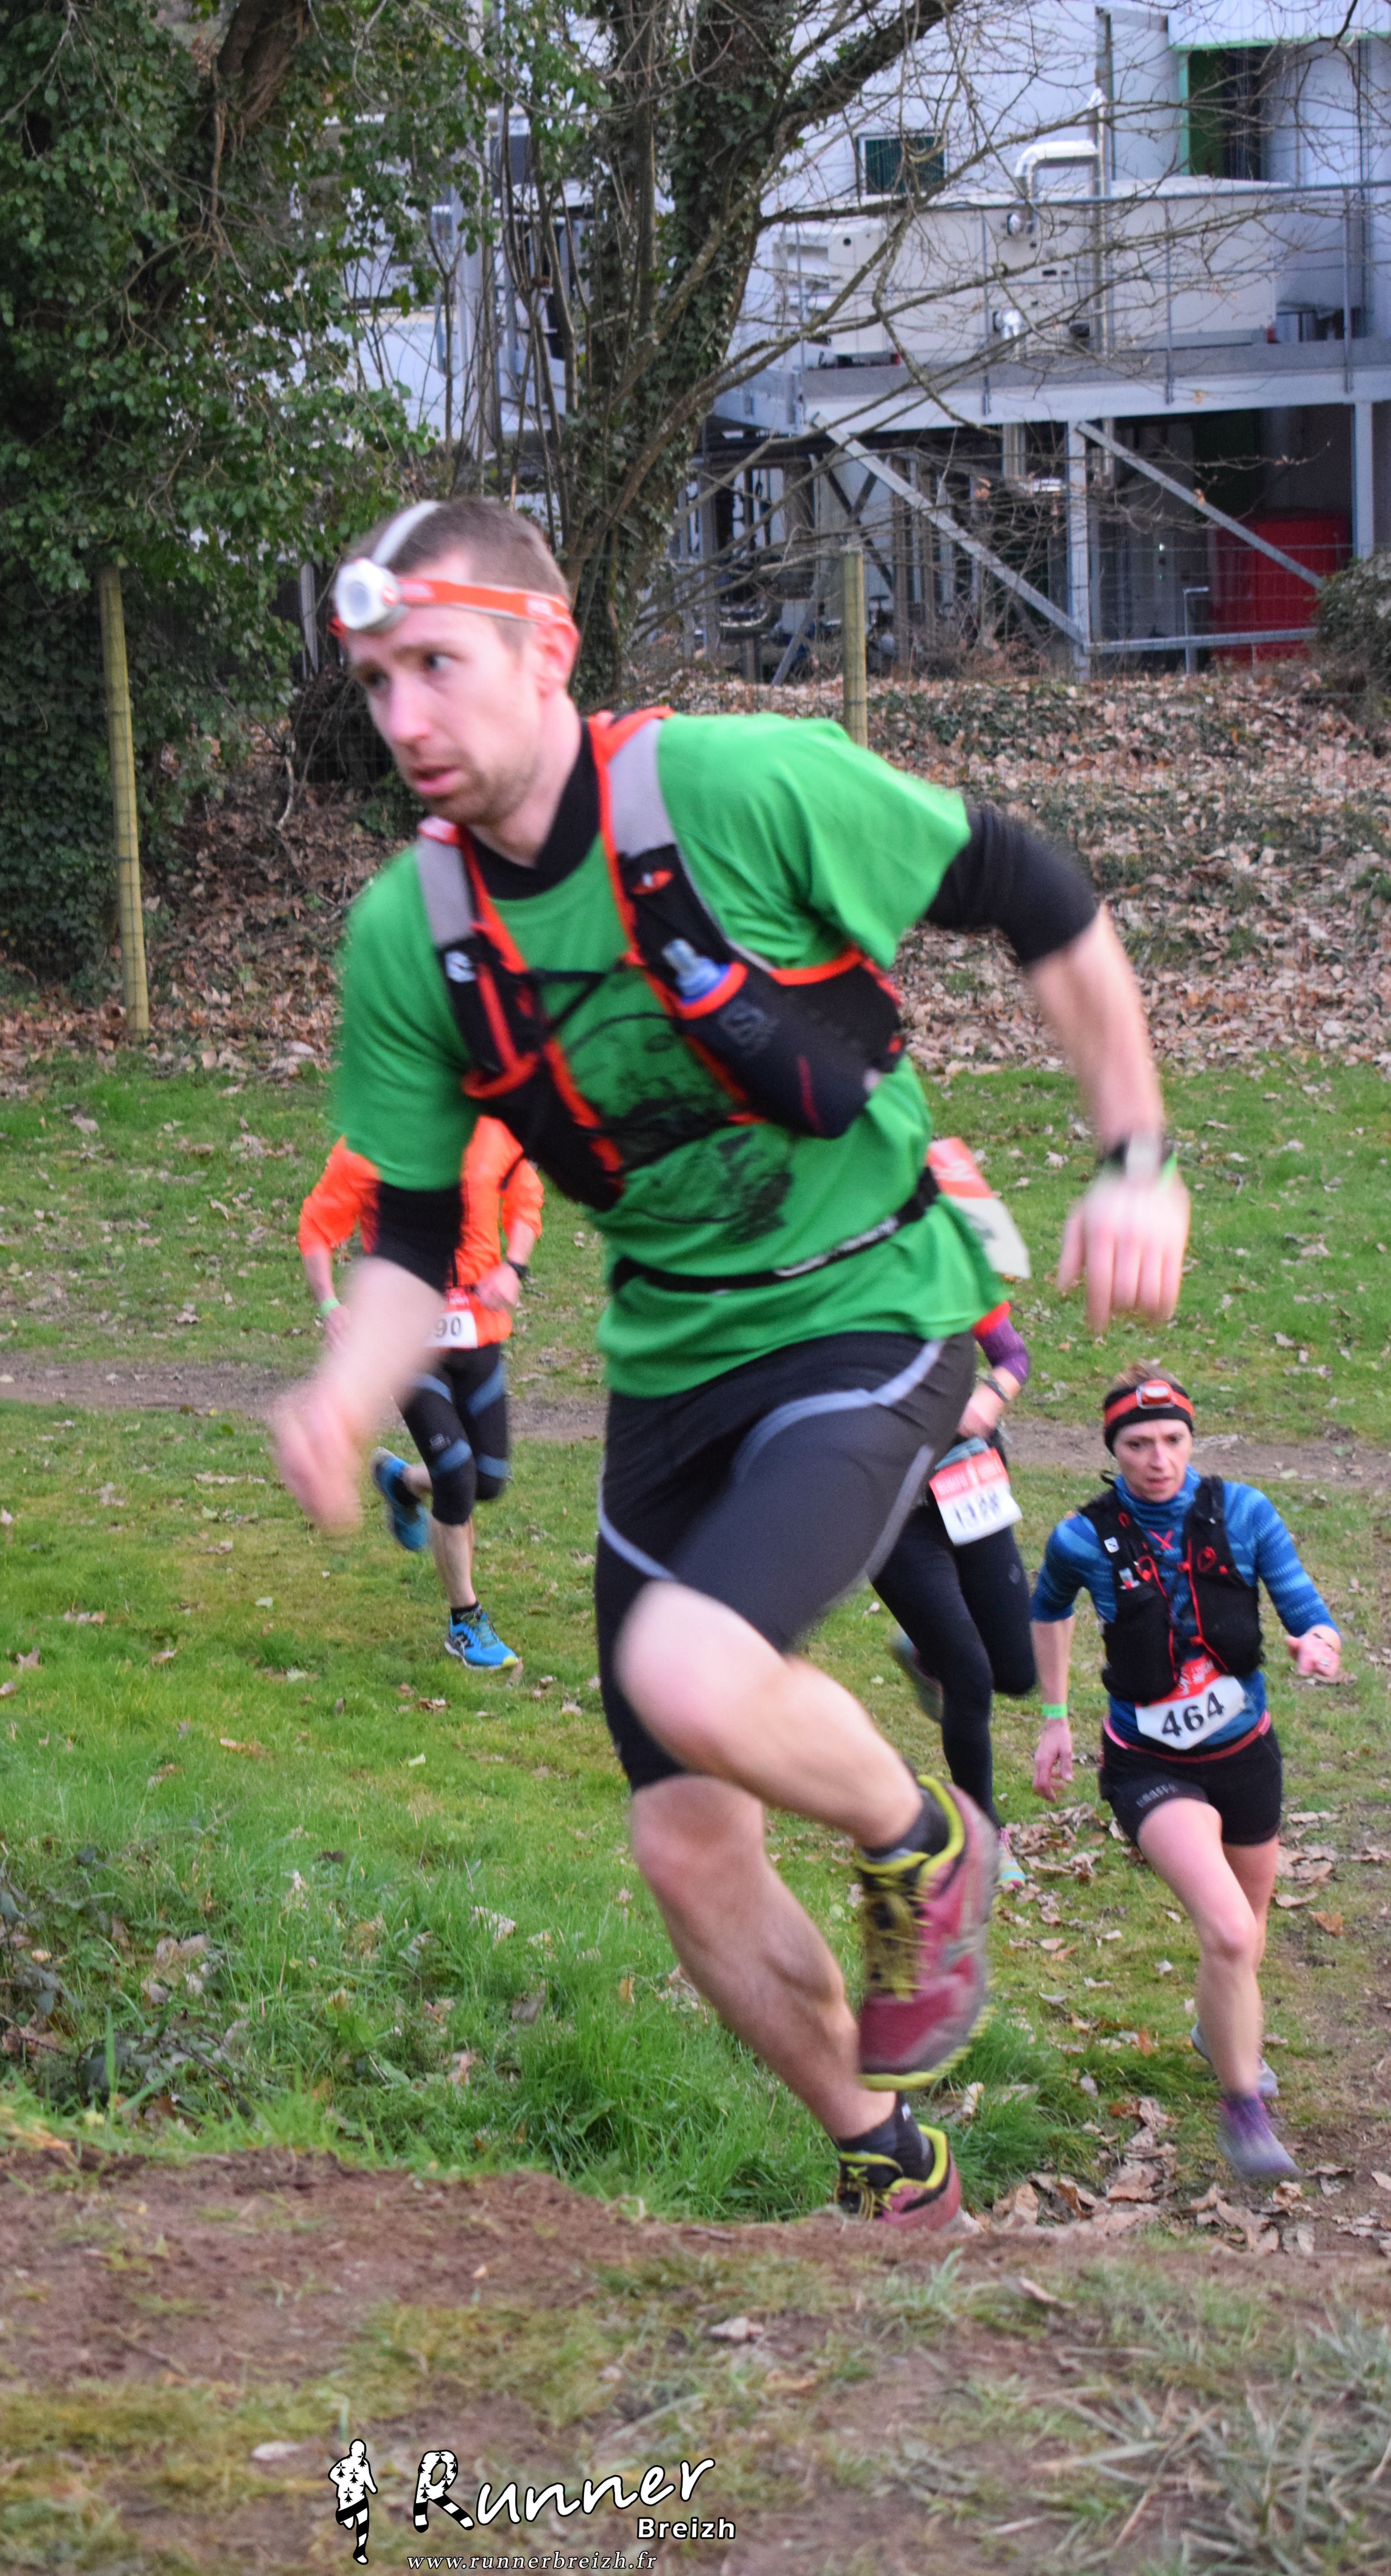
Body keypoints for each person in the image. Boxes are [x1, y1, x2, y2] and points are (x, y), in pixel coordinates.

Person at [274, 493, 1189, 2230]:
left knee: (690, 1667)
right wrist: (340, 1390)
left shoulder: (742, 787)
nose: (402, 717)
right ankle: (889, 2159)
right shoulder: (412, 932)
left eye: (437, 666)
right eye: (376, 681)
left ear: (548, 649)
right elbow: (408, 1232)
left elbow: (1034, 889)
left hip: (871, 1304)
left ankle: (929, 1845)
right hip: (671, 1361)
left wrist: (1133, 1152)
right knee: (682, 1841)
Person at [1029, 1368, 1340, 2182]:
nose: (1159, 1459)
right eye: (1138, 1444)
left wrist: (1317, 1641)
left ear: (1191, 1439)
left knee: (1246, 1933)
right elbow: (1048, 1607)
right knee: (1229, 1929)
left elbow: (1303, 1604)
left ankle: (1216, 2031)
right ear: (1114, 1449)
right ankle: (1243, 2112)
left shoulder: (1246, 1513)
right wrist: (1055, 1718)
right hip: (1148, 1764)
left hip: (1246, 1754)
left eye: (1172, 1440)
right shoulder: (1083, 1537)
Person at [298, 1117, 543, 1671]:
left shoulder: (491, 1130)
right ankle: (465, 1622)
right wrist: (330, 1305)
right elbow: (317, 1228)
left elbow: (526, 1199)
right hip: (408, 1341)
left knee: (489, 1480)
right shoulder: (367, 1147)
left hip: (478, 1333)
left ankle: (403, 1481)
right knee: (456, 1476)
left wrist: (514, 1266)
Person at [876, 1297, 1037, 1883]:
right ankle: (983, 1839)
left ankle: (926, 1653)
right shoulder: (828, 1289)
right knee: (969, 1673)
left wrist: (990, 1396)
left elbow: (1013, 1355)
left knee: (1016, 1673)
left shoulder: (951, 1270)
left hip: (967, 1479)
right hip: (889, 1508)